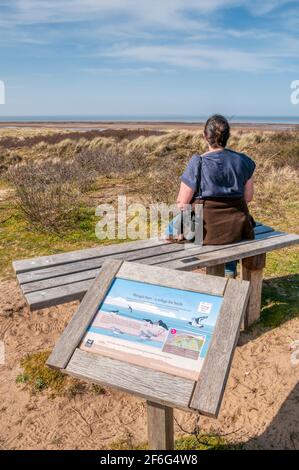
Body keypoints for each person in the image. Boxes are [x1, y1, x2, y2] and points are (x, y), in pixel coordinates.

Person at [166, 114, 256, 277]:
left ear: (204, 136)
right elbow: (248, 197)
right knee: (228, 230)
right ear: (227, 136)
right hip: (237, 227)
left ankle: (184, 269)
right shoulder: (244, 161)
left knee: (171, 228)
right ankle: (229, 269)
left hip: (205, 231)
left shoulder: (198, 162)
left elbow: (182, 203)